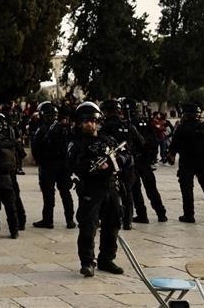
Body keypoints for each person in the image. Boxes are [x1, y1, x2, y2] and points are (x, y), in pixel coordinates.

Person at [70, 101, 128, 277]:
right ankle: (87, 262)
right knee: (88, 226)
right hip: (91, 189)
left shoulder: (108, 140)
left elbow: (126, 156)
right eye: (86, 121)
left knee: (113, 225)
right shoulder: (76, 143)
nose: (91, 124)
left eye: (94, 121)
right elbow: (71, 164)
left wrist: (113, 163)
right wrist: (89, 165)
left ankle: (107, 259)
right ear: (80, 123)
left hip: (110, 187)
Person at [31, 102, 76, 229]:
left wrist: (41, 162)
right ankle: (70, 220)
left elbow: (35, 149)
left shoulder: (42, 130)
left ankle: (48, 220)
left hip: (47, 166)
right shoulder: (65, 129)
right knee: (65, 193)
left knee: (48, 194)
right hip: (63, 166)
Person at [122, 98, 167, 223]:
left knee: (136, 190)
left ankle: (142, 215)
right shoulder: (146, 123)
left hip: (135, 162)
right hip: (145, 162)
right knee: (151, 188)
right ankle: (161, 213)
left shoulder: (128, 126)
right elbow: (154, 142)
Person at [99, 99, 141, 230]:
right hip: (128, 163)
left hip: (111, 164)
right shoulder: (128, 125)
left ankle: (111, 219)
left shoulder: (105, 127)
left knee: (110, 193)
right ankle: (128, 221)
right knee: (127, 192)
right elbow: (141, 142)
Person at [167, 103, 204, 223]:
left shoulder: (181, 128)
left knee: (187, 190)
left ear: (185, 114)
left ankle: (189, 215)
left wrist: (171, 158)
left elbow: (173, 147)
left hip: (187, 163)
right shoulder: (203, 127)